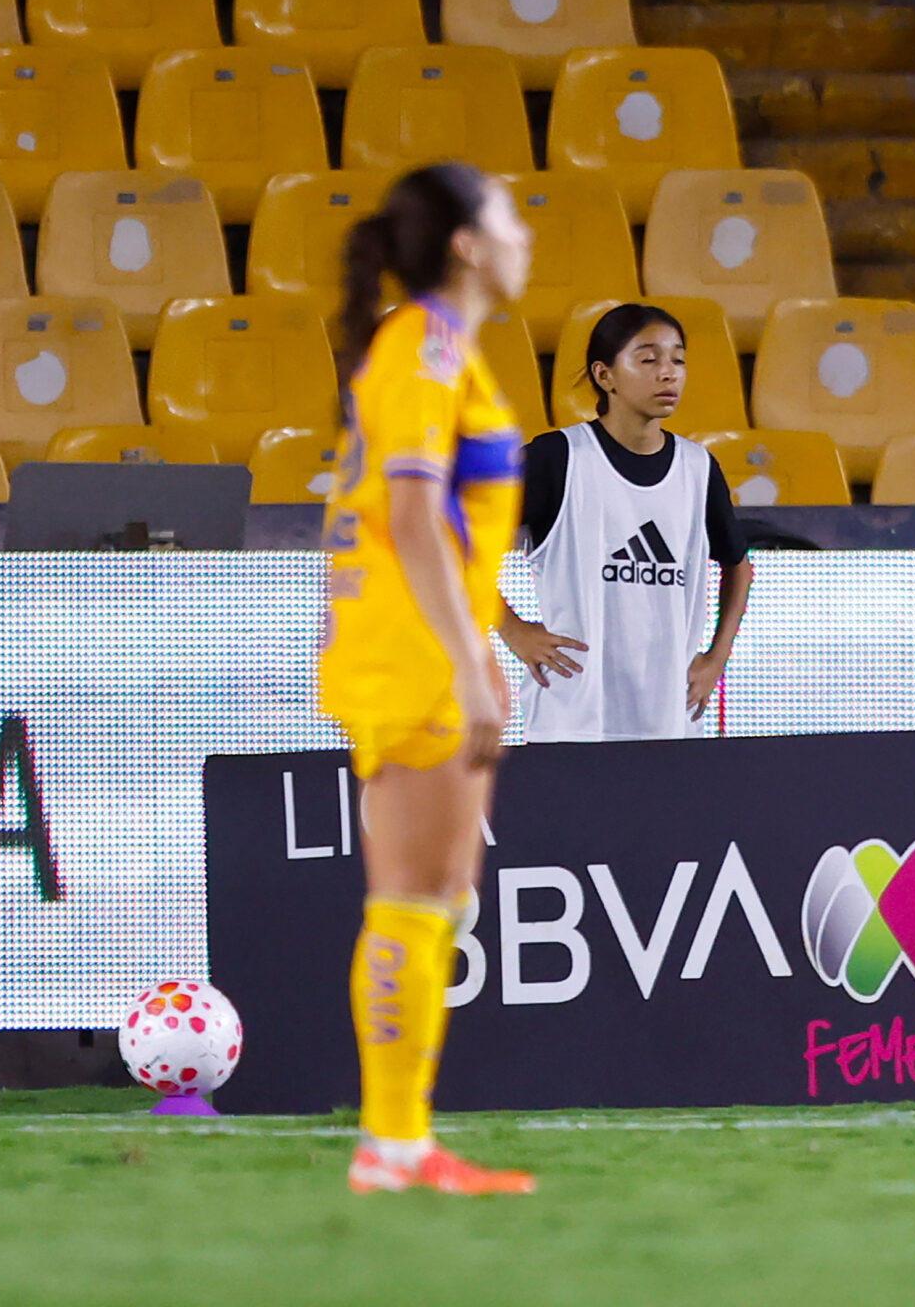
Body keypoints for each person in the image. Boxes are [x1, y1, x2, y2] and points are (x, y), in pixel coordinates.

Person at [319, 163, 538, 1193]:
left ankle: (401, 1140)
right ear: (465, 243)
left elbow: (442, 525)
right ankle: (392, 1145)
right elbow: (409, 518)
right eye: (506, 214)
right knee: (415, 898)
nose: (522, 231)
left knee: (439, 899)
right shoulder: (428, 344)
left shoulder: (444, 350)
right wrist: (468, 665)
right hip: (410, 654)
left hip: (425, 645)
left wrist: (479, 652)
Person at [498, 303, 753, 742]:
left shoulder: (698, 467)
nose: (668, 373)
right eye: (649, 359)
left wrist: (717, 657)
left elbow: (738, 564)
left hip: (672, 719)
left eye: (678, 360)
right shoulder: (556, 458)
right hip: (573, 722)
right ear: (605, 375)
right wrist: (513, 629)